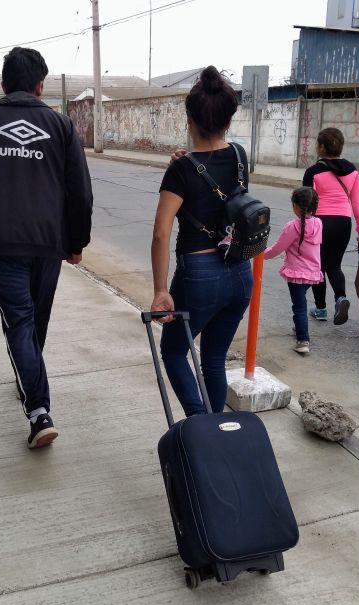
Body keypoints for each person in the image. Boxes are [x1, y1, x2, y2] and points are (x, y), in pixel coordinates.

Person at [0, 46, 93, 449]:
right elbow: (79, 191)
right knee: (33, 321)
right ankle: (30, 383)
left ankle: (38, 411)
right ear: (40, 85)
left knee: (21, 325)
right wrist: (77, 242)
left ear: (3, 84)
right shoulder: (61, 127)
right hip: (48, 244)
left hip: (1, 243)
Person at [150, 66, 251, 417]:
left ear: (189, 118)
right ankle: (218, 430)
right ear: (228, 118)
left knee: (175, 352)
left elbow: (162, 232)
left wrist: (161, 290)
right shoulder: (239, 156)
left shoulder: (181, 169)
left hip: (199, 274)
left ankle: (201, 426)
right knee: (213, 359)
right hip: (239, 272)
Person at [303, 127, 359, 325]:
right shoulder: (353, 171)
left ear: (322, 148)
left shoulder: (313, 172)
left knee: (318, 267)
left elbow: (306, 202)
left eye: (317, 144)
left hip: (321, 221)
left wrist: (303, 227)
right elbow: (356, 203)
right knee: (334, 265)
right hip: (343, 223)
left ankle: (321, 309)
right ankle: (341, 298)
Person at [264, 187, 323, 355]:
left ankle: (303, 340)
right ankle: (299, 327)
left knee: (299, 307)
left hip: (296, 274)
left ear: (296, 206)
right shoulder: (318, 223)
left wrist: (260, 255)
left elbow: (277, 248)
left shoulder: (293, 226)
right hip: (313, 273)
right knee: (301, 305)